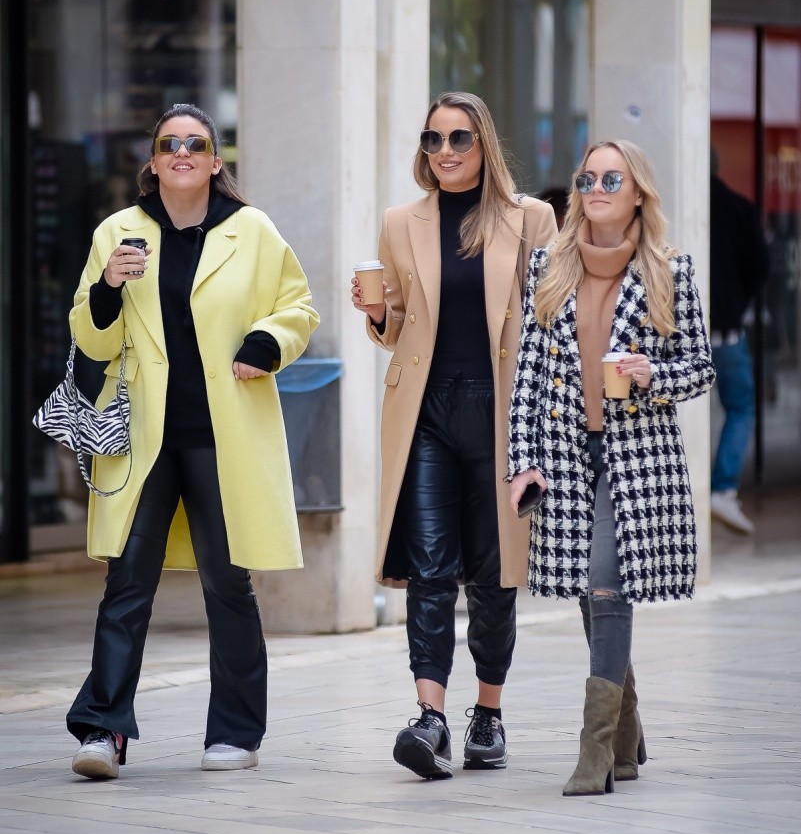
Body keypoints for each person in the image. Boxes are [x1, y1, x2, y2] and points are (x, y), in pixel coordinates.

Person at [67, 103, 319, 779]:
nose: (182, 152)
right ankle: (102, 730)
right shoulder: (118, 233)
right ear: (152, 162)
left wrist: (266, 342)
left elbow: (297, 306)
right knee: (126, 580)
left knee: (227, 583)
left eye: (196, 143)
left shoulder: (251, 229)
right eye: (169, 143)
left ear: (214, 161)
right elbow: (91, 338)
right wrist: (107, 287)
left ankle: (235, 732)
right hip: (142, 438)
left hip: (222, 436)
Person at [352, 91, 557, 779]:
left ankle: (488, 715)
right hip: (426, 414)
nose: (444, 151)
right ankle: (430, 717)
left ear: (483, 144)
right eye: (433, 139)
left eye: (459, 138)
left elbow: (549, 320)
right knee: (430, 567)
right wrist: (376, 314)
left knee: (495, 575)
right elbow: (397, 328)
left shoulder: (530, 219)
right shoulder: (400, 221)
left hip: (503, 413)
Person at [508, 139, 714, 796]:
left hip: (636, 457)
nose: (595, 189)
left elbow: (700, 367)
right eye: (587, 178)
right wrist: (522, 462)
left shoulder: (669, 271)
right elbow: (528, 376)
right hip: (566, 456)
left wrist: (654, 374)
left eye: (611, 179)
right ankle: (626, 735)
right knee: (586, 589)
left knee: (605, 586)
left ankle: (593, 751)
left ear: (637, 194)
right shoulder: (548, 267)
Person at [709, 158, 769, 534]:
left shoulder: (669, 205)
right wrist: (736, 303)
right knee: (741, 407)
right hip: (726, 330)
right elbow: (760, 267)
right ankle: (722, 488)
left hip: (680, 334)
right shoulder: (739, 209)